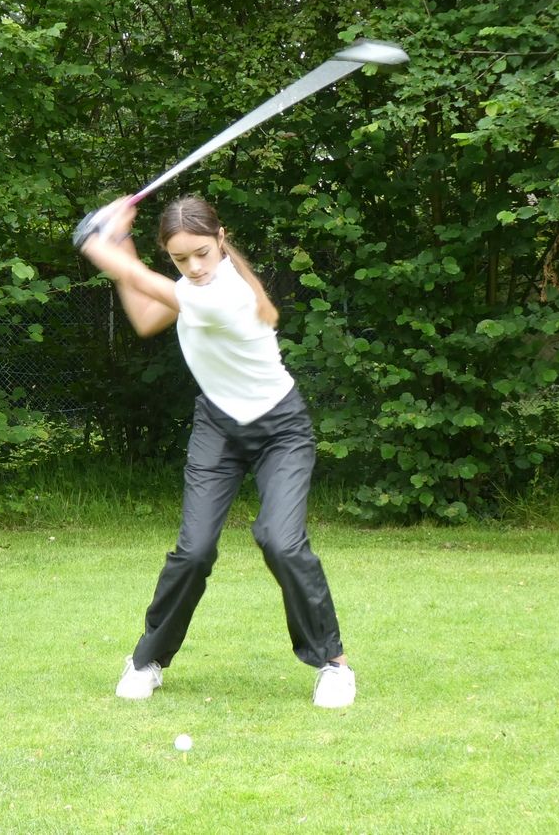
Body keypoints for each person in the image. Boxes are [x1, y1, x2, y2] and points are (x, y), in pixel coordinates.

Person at [75, 193, 355, 708]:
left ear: (221, 239)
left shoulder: (227, 294)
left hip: (280, 429)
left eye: (202, 252)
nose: (194, 267)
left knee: (281, 541)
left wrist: (100, 243)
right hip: (218, 427)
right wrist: (120, 240)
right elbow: (145, 314)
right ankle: (147, 660)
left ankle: (333, 665)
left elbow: (137, 278)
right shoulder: (189, 289)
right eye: (180, 258)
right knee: (195, 550)